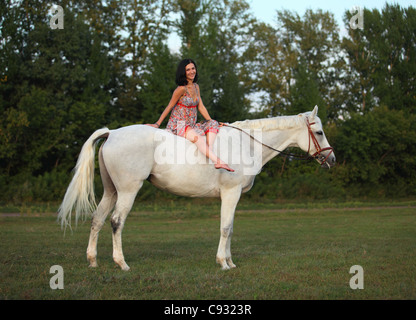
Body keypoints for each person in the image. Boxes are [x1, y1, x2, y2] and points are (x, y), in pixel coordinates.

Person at [147, 59, 234, 172]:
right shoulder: (180, 89)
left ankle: (209, 151)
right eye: (188, 70)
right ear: (183, 72)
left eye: (193, 68)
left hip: (191, 124)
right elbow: (169, 106)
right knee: (198, 139)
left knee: (213, 123)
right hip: (179, 124)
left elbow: (201, 107)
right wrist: (157, 123)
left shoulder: (196, 87)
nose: (192, 71)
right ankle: (218, 161)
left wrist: (211, 121)